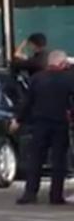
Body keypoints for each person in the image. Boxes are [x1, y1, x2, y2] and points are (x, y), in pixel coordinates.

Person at [15, 49, 74, 205]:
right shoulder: (69, 79)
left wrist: (18, 120)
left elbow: (27, 102)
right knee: (59, 161)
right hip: (60, 124)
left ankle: (30, 193)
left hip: (40, 123)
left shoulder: (37, 78)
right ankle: (56, 195)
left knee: (36, 159)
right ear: (63, 64)